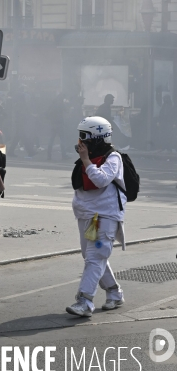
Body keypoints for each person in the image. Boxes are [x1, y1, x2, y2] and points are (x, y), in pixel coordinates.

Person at [66, 116, 126, 318]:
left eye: (84, 137)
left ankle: (84, 301)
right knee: (92, 256)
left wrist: (85, 160)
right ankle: (115, 293)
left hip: (105, 217)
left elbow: (101, 180)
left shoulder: (113, 158)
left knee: (96, 257)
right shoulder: (89, 157)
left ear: (98, 137)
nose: (80, 142)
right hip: (87, 216)